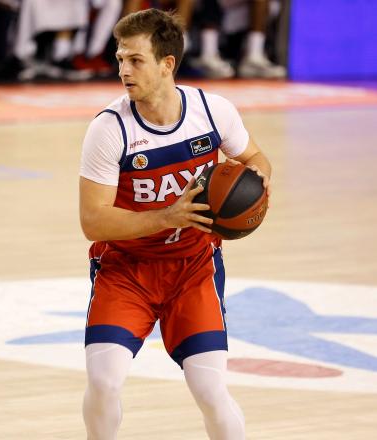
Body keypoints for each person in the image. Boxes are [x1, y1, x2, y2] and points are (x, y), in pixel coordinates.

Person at [79, 9, 271, 440]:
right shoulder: (110, 129)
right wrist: (167, 217)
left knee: (210, 390)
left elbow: (256, 160)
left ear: (167, 64)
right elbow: (93, 221)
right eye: (120, 58)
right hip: (127, 271)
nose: (123, 69)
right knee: (105, 381)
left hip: (193, 269)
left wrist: (255, 191)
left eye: (135, 60)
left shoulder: (213, 110)